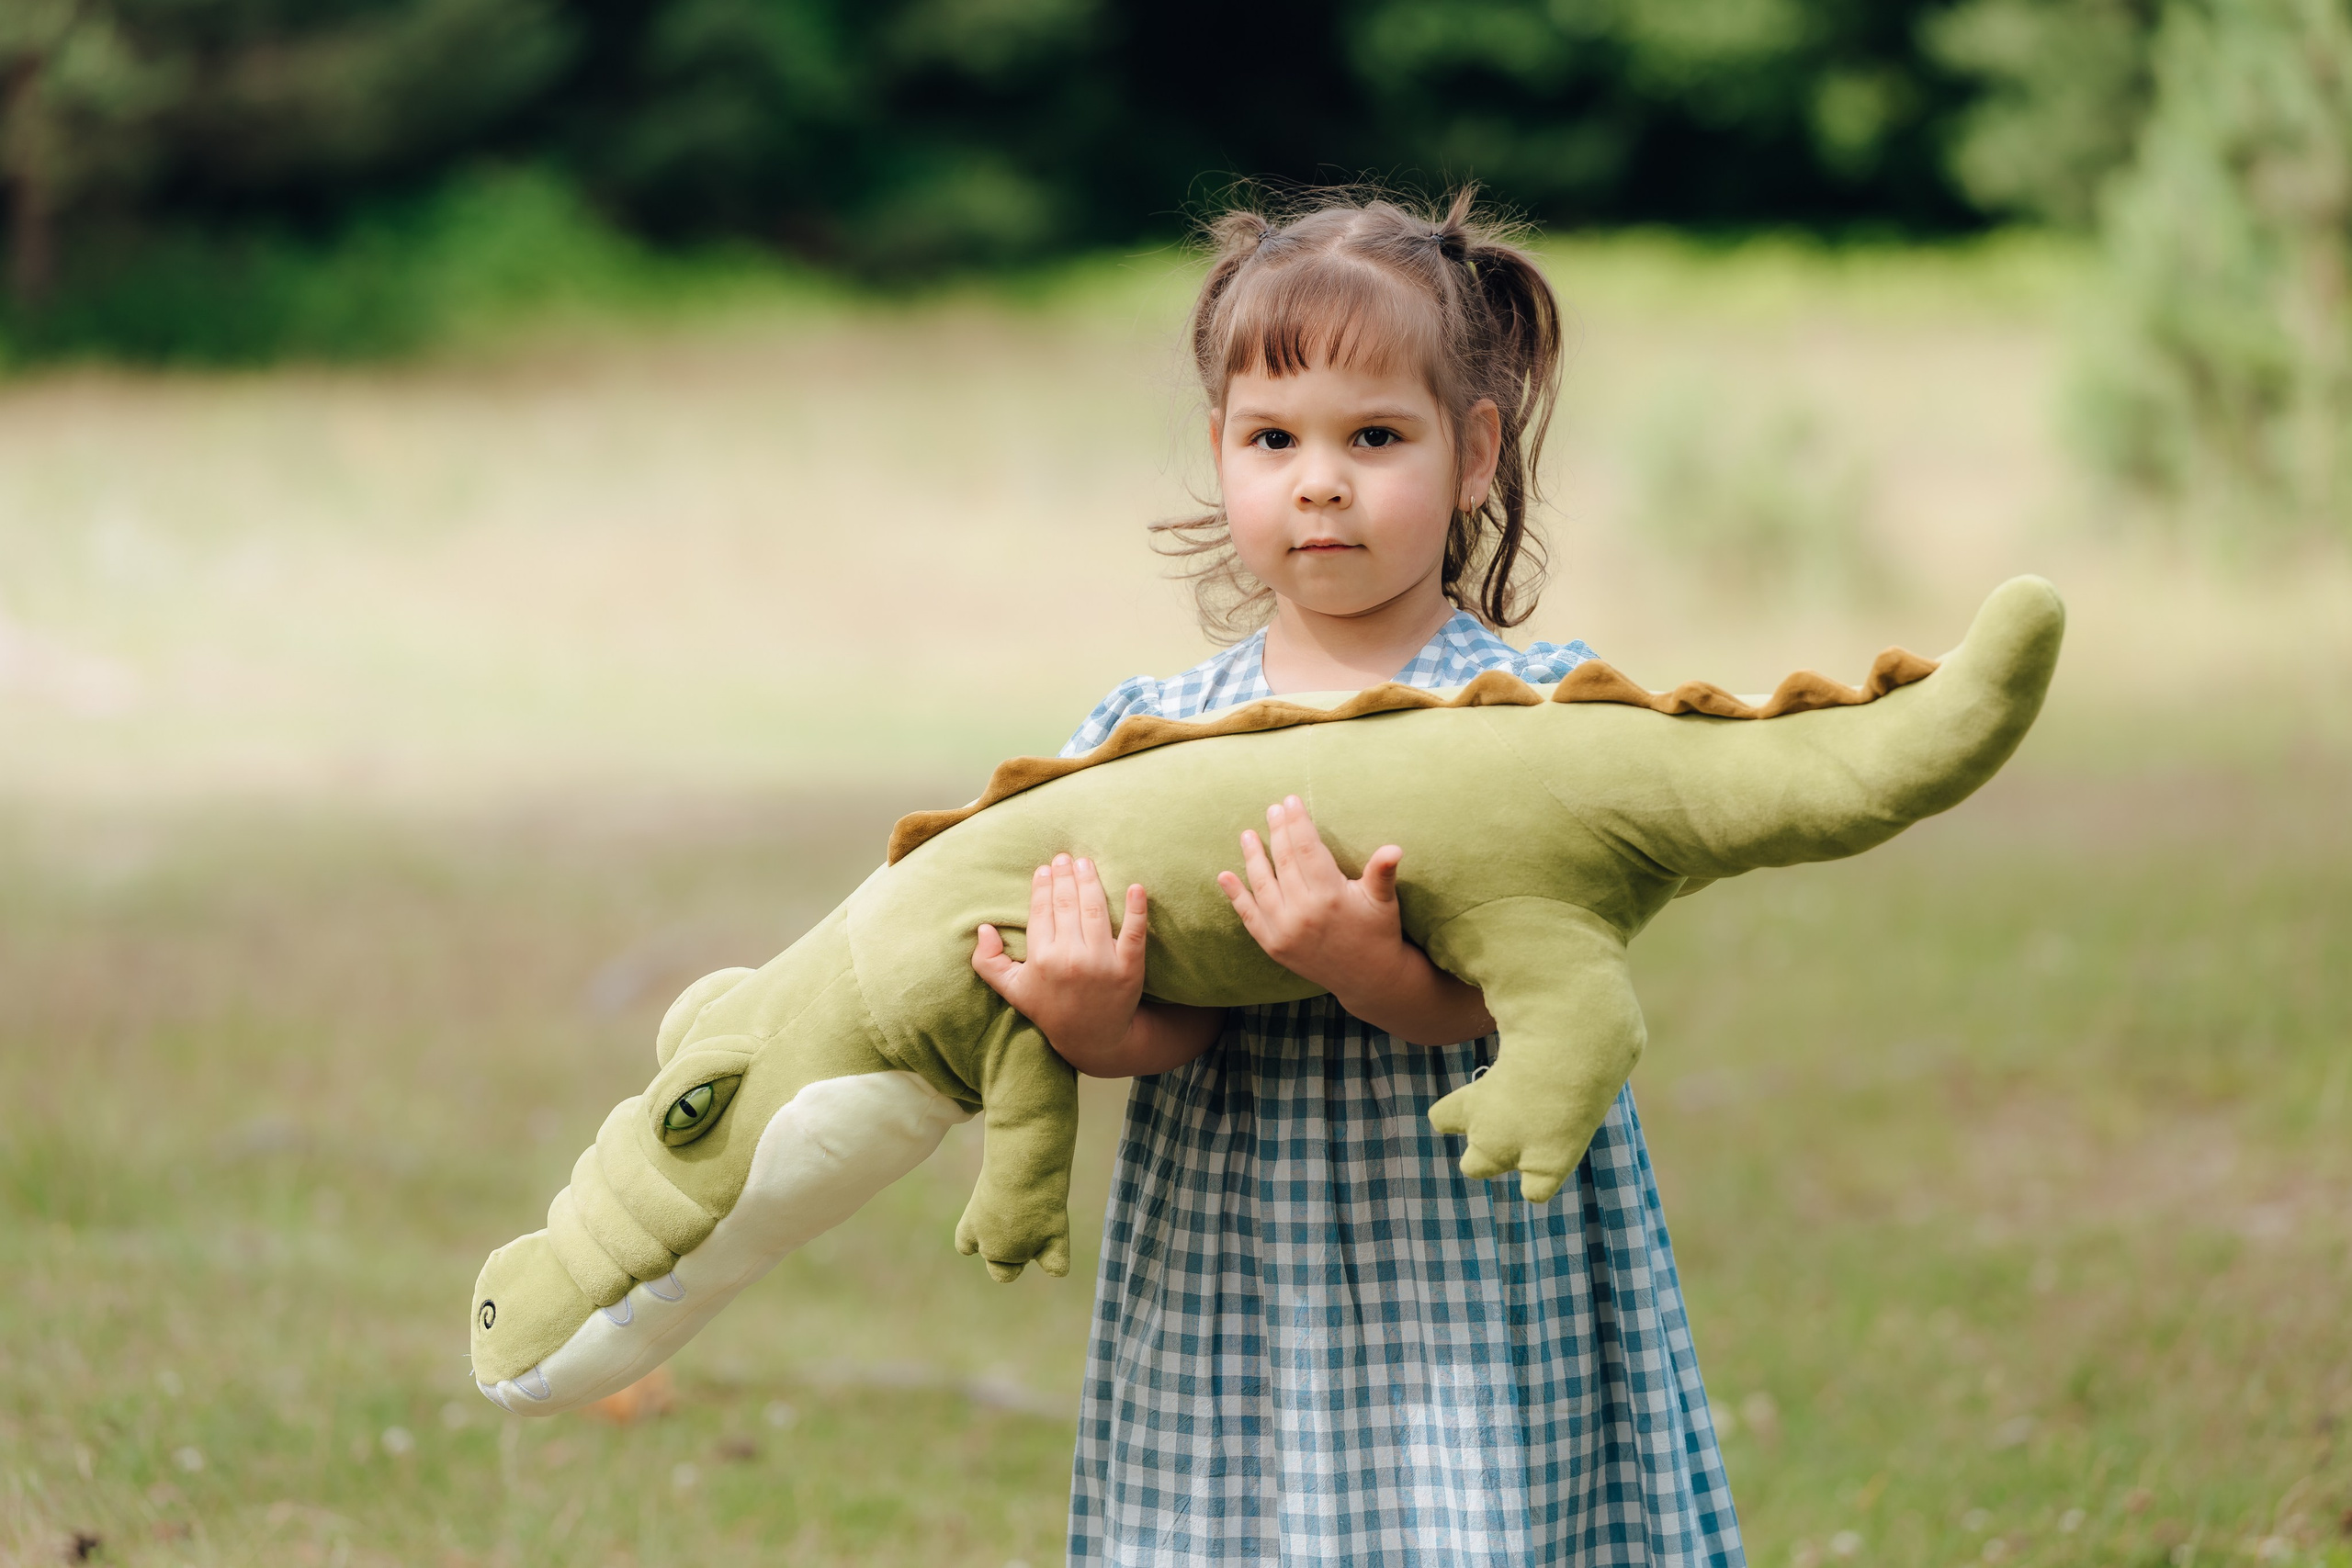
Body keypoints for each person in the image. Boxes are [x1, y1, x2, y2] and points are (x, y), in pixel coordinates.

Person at [970, 187, 1743, 1566]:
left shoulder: (1531, 709)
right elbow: (1179, 1018)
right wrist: (1091, 1021)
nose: (1318, 479)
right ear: (1222, 453)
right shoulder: (1151, 739)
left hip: (1474, 1272)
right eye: (1274, 438)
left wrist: (1367, 966)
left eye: (1374, 436)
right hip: (1237, 1266)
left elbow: (1530, 998)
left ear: (1473, 454)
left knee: (1479, 1526)